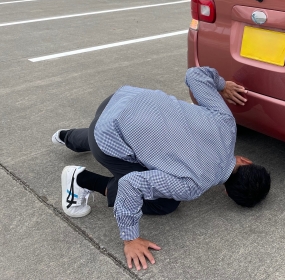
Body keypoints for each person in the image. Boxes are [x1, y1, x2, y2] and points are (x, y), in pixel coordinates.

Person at [52, 67, 271, 271]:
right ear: (227, 192)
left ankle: (65, 136)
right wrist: (130, 239)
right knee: (166, 203)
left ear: (246, 160)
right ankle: (80, 180)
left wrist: (222, 86)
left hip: (122, 97)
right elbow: (131, 185)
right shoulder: (192, 186)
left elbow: (196, 75)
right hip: (107, 136)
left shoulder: (227, 124)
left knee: (128, 130)